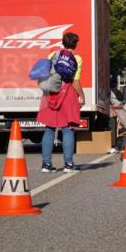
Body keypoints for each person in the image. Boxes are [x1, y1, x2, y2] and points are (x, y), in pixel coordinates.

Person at [37, 32, 85, 173]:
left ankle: (46, 164)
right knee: (68, 128)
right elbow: (75, 81)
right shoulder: (77, 58)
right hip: (67, 93)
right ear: (75, 44)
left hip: (51, 93)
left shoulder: (52, 55)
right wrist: (82, 96)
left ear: (63, 42)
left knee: (49, 128)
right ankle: (68, 164)